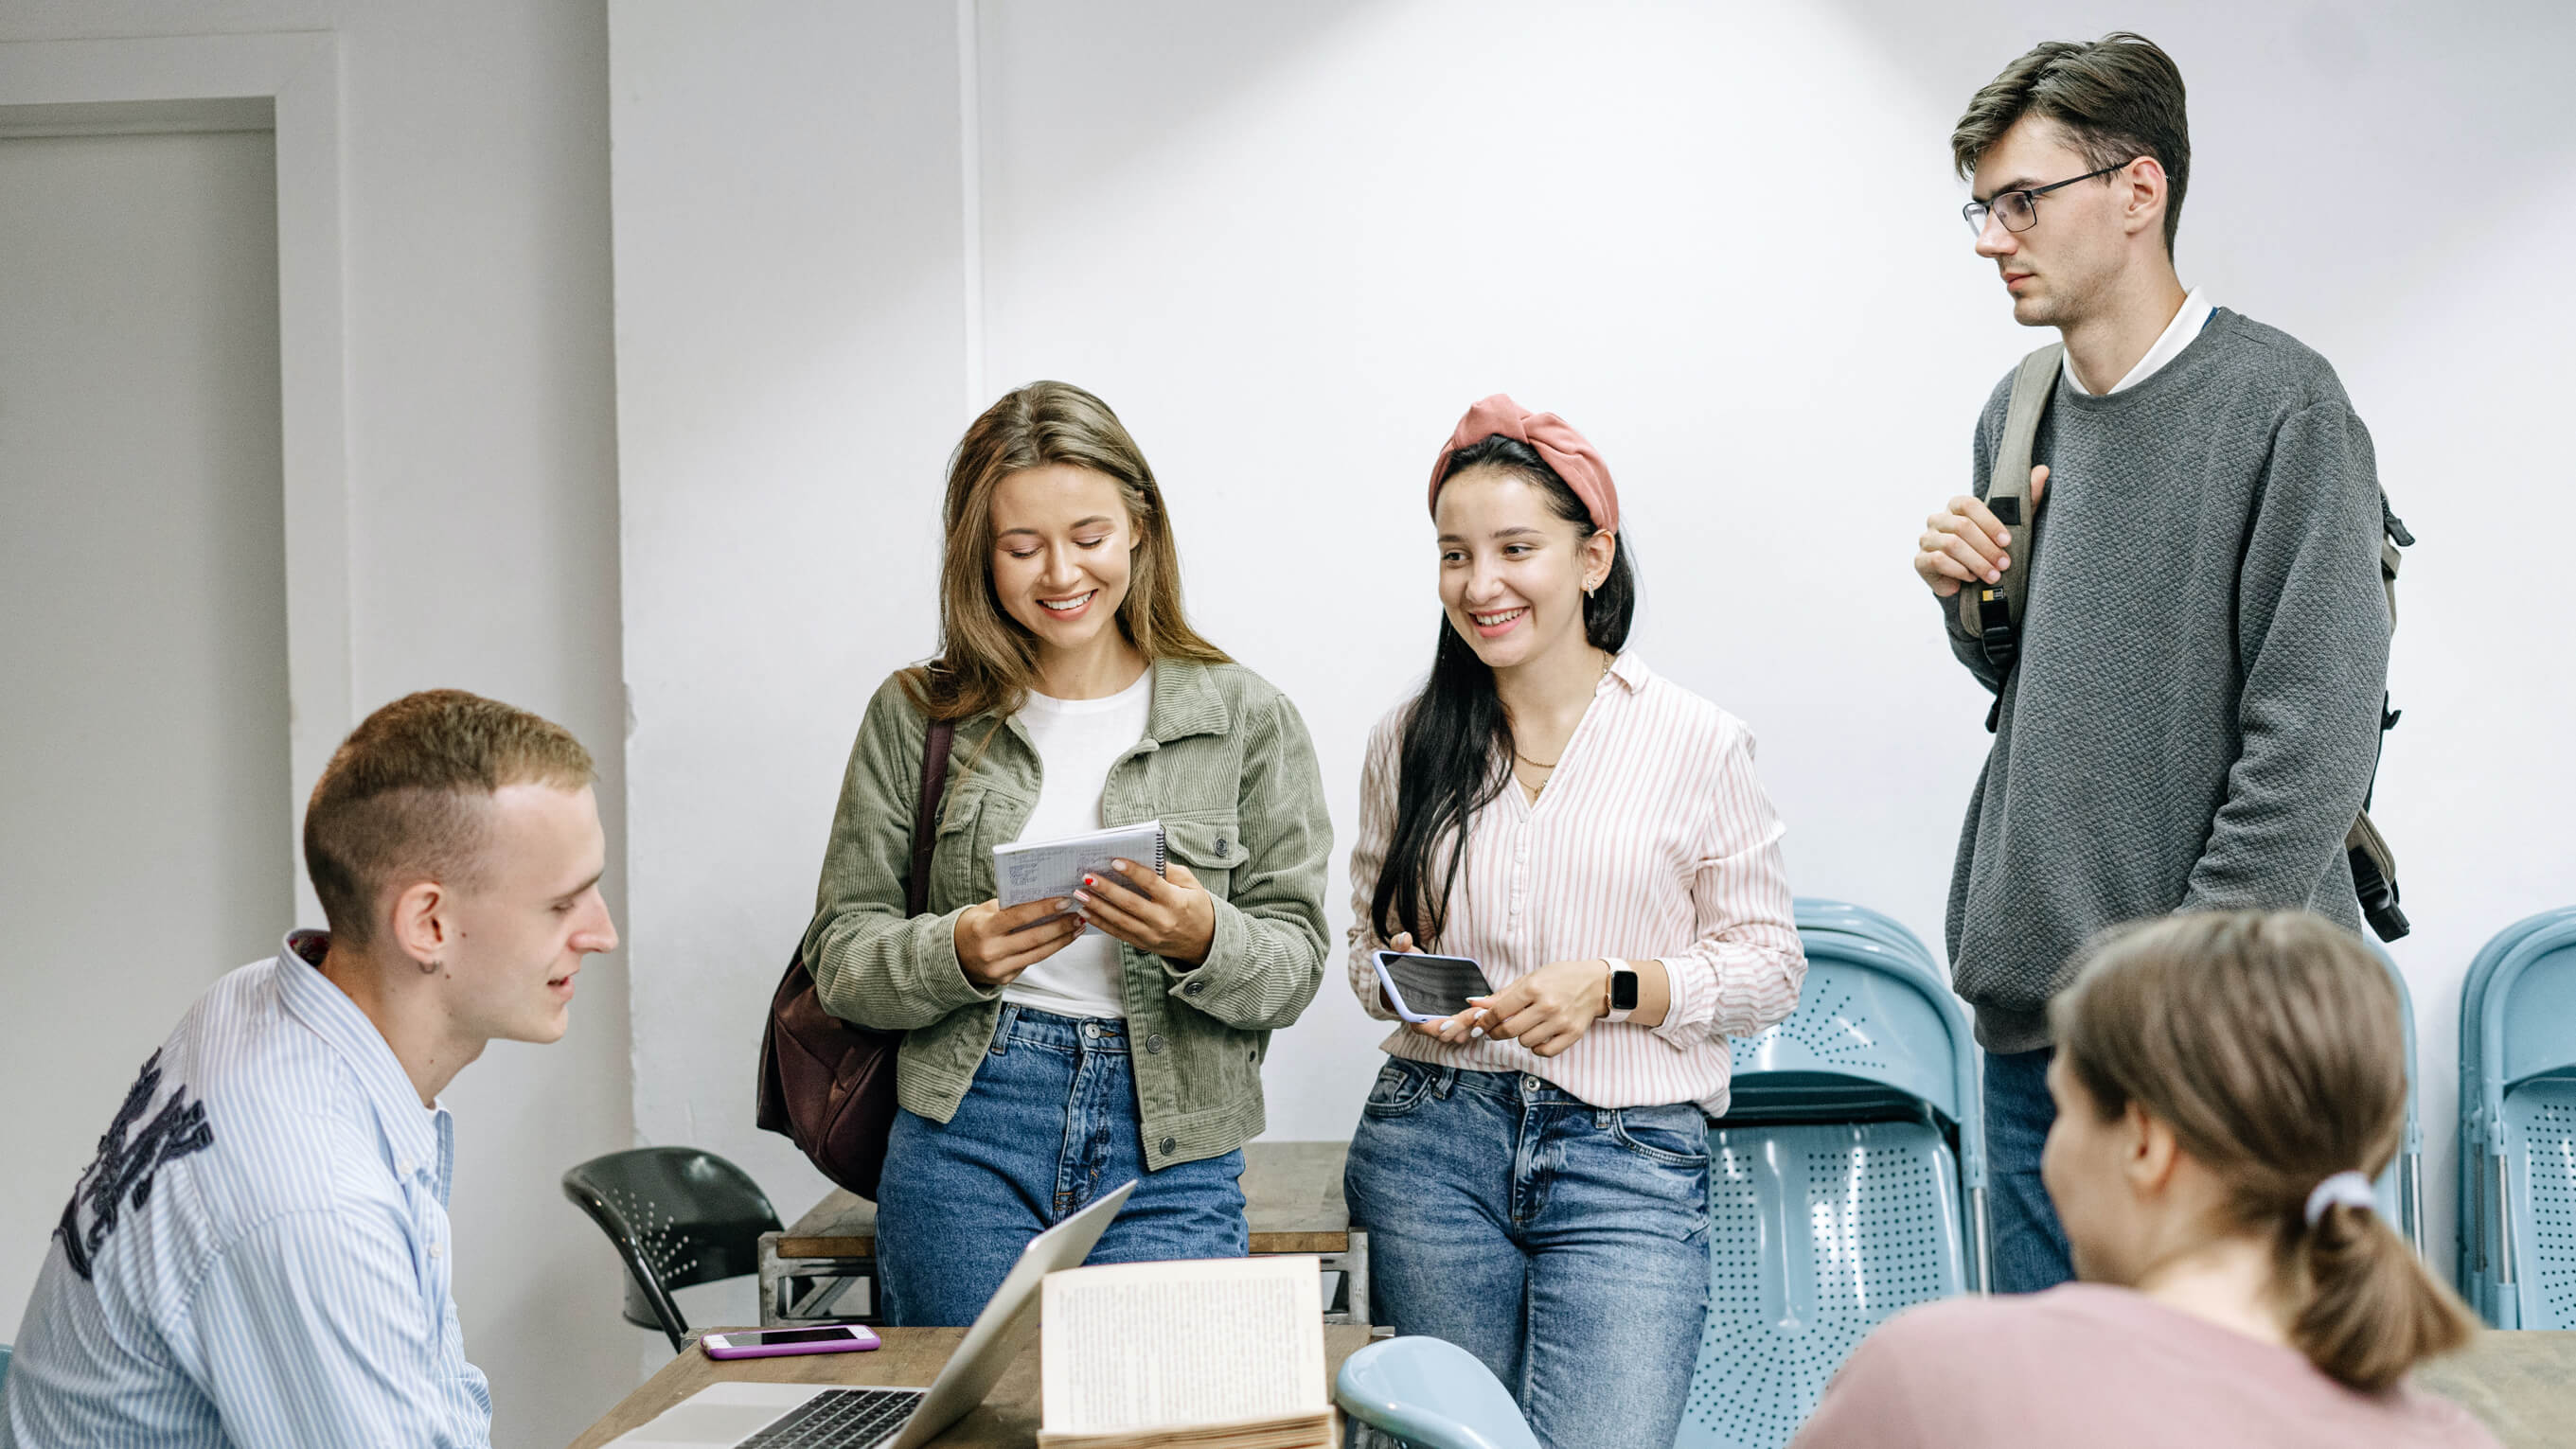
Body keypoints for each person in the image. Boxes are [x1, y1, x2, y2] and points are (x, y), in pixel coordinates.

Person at [1911, 33, 2392, 1292]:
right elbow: (2047, 688)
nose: (1989, 235)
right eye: (1981, 203)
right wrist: (1974, 609)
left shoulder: (2282, 409)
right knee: (2049, 1412)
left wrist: (2165, 1000)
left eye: (2023, 199)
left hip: (2221, 1047)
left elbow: (2313, 746)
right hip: (2035, 1041)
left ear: (2137, 191)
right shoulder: (2013, 411)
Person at [802, 380, 1333, 1326]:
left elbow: (1294, 967)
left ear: (1139, 527)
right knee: (971, 1430)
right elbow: (841, 955)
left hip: (1172, 1139)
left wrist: (1204, 935)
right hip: (967, 1126)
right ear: (979, 555)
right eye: (1021, 546)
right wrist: (956, 951)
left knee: (1161, 1427)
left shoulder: (1246, 718)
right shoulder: (916, 717)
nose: (1060, 573)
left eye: (1087, 536)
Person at [1341, 396, 1806, 1449]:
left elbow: (1772, 966)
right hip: (1431, 1139)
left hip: (1628, 1157)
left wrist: (1612, 984)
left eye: (1516, 548)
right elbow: (1364, 951)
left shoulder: (1697, 740)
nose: (1480, 583)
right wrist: (1403, 976)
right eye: (1455, 554)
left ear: (1593, 558)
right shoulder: (1407, 740)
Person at [2, 691, 617, 1449]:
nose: (603, 932)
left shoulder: (255, 1000)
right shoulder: (308, 1199)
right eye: (562, 904)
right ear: (429, 923)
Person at [1790, 910, 2492, 1447]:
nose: (2047, 1154)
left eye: (2060, 1112)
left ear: (2146, 1141)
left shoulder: (1936, 1375)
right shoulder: (2449, 1434)